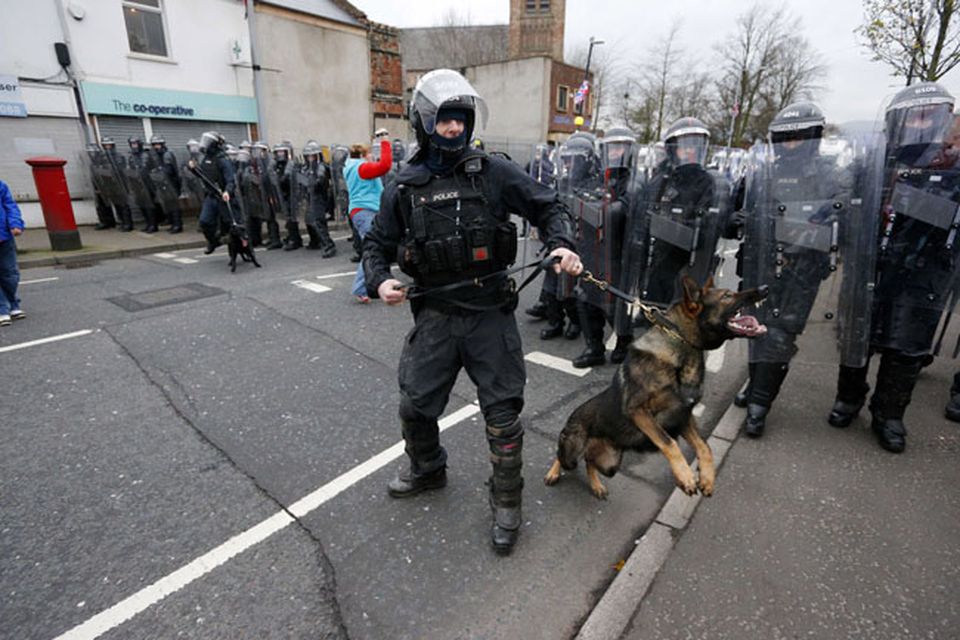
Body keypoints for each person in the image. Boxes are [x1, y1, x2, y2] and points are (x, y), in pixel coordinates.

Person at [362, 69, 582, 555]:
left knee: (503, 418)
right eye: (444, 122)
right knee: (414, 406)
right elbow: (376, 244)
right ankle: (427, 468)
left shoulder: (494, 172)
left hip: (490, 314)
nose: (454, 130)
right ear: (425, 123)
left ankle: (507, 504)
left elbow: (550, 207)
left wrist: (562, 244)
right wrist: (380, 280)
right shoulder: (403, 185)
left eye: (460, 120)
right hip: (436, 316)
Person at [827, 82, 959, 453]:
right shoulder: (876, 161)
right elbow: (845, 200)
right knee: (857, 336)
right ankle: (849, 397)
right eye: (913, 116)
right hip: (872, 265)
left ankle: (889, 413)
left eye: (927, 115)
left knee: (907, 348)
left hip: (923, 272)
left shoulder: (952, 166)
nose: (920, 123)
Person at [736, 103, 872, 438]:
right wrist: (739, 218)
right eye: (787, 137)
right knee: (754, 327)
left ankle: (759, 405)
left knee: (781, 335)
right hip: (761, 264)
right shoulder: (763, 171)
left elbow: (843, 215)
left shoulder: (830, 174)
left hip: (802, 268)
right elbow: (740, 209)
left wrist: (821, 223)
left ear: (812, 137)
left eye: (799, 137)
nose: (792, 143)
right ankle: (756, 384)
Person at [573, 125, 637, 368]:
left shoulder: (633, 181)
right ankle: (594, 348)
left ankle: (624, 340)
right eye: (612, 146)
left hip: (618, 253)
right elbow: (581, 195)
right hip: (592, 250)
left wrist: (599, 210)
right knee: (586, 300)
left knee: (613, 304)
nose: (615, 151)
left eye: (620, 146)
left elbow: (623, 210)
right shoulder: (598, 178)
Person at [345, 133, 392, 303]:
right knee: (372, 249)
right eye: (370, 153)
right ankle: (361, 288)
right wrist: (386, 141)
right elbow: (385, 165)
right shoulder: (361, 168)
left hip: (360, 212)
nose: (373, 156)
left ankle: (363, 286)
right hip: (366, 212)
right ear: (364, 155)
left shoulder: (351, 167)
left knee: (371, 248)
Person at [193, 131, 236, 255]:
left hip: (223, 197)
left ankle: (233, 252)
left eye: (208, 142)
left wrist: (228, 191)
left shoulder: (223, 160)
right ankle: (213, 242)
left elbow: (230, 179)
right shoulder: (206, 159)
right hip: (211, 197)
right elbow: (203, 176)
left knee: (229, 227)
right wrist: (193, 169)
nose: (204, 144)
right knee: (204, 221)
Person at [299, 141, 337, 257]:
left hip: (319, 197)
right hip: (310, 197)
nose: (310, 158)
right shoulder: (306, 167)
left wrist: (315, 182)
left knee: (318, 222)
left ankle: (329, 246)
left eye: (312, 155)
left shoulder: (321, 167)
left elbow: (321, 182)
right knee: (310, 220)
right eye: (308, 156)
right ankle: (315, 242)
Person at [0, 179, 25, 326]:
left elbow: (10, 206)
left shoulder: (1, 185)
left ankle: (13, 302)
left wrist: (15, 223)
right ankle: (2, 309)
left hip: (4, 236)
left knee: (10, 273)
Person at [147, 135, 183, 233]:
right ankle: (171, 222)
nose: (156, 147)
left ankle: (177, 225)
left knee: (173, 204)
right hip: (163, 182)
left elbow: (169, 169)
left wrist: (159, 171)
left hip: (171, 182)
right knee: (167, 203)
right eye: (154, 145)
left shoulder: (167, 154)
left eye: (158, 144)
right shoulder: (156, 155)